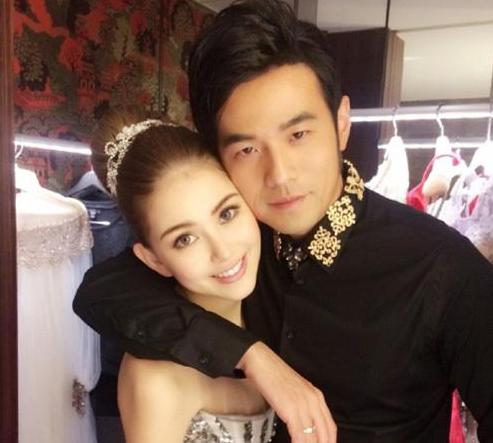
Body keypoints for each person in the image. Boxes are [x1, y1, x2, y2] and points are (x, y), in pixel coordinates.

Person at [74, 1, 493, 442]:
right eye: (247, 150)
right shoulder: (241, 245)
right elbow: (103, 291)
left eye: (298, 134)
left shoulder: (443, 267)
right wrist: (253, 355)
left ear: (341, 123)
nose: (279, 175)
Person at [88, 108, 281, 442]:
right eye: (185, 239)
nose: (223, 251)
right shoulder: (155, 380)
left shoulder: (276, 305)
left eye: (227, 213)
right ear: (154, 260)